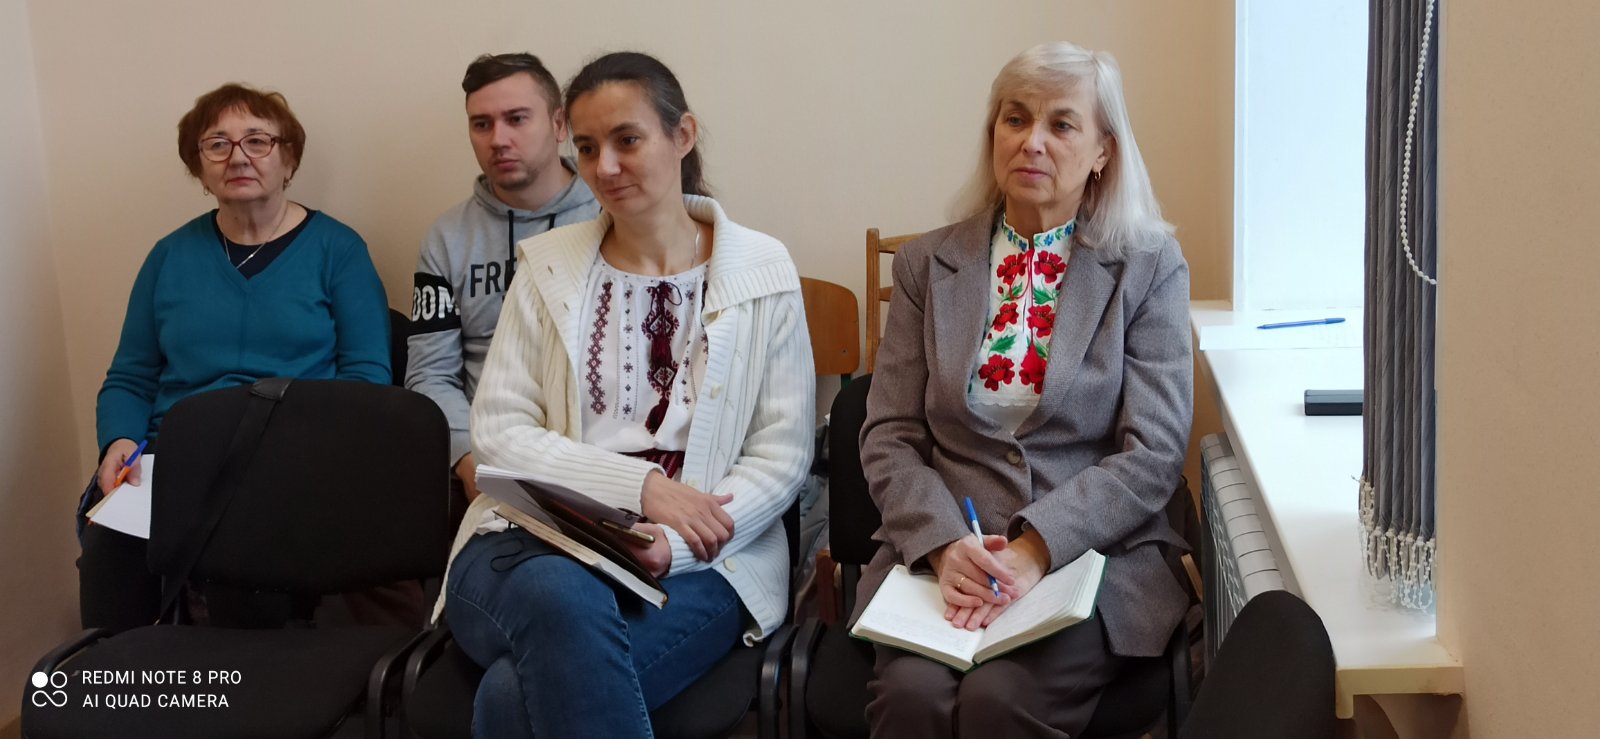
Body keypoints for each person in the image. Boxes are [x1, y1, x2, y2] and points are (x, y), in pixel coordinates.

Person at [435, 51, 814, 738]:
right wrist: (639, 487)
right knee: (558, 591)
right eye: (586, 147)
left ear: (682, 135)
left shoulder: (762, 270)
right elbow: (498, 431)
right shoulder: (548, 267)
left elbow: (781, 454)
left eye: (627, 140)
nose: (604, 167)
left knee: (512, 697)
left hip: (709, 562)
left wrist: (676, 543)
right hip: (527, 543)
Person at [857, 42, 1194, 738]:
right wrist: (945, 544)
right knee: (912, 699)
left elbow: (1155, 451)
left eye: (1061, 124)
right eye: (1015, 119)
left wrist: (1037, 547)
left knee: (999, 701)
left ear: (1103, 151)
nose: (1031, 141)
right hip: (943, 559)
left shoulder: (1148, 265)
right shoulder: (927, 264)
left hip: (1092, 559)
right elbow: (889, 434)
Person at [79, 83, 391, 630]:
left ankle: (234, 682)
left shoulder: (338, 250)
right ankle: (127, 680)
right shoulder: (168, 256)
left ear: (288, 159)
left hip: (288, 458)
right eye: (218, 144)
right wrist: (120, 441)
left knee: (248, 570)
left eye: (257, 141)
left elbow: (366, 379)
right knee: (110, 548)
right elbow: (130, 377)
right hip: (175, 458)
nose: (239, 156)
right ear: (199, 168)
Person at [407, 53, 599, 509]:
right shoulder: (447, 238)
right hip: (491, 455)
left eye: (516, 119)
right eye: (482, 124)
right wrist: (468, 459)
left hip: (595, 451)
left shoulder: (611, 216)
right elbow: (430, 374)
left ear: (558, 125)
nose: (498, 139)